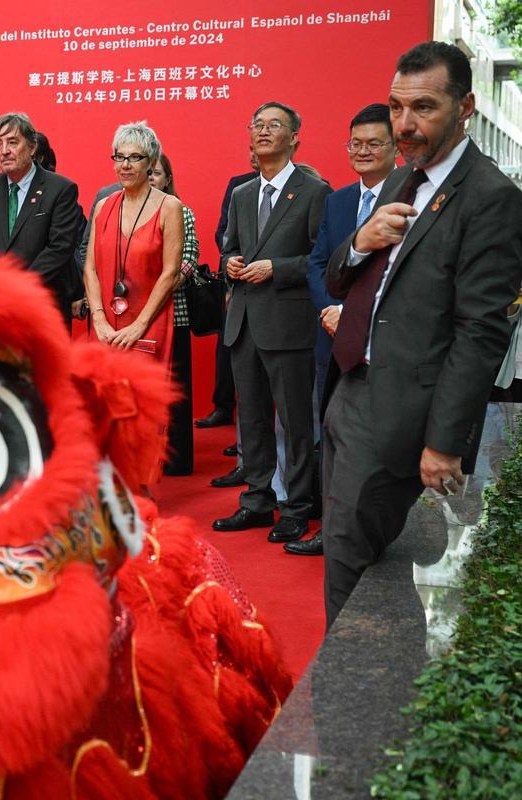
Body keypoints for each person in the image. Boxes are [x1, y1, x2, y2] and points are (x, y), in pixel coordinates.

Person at [321, 41, 522, 625]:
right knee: (358, 547)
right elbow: (340, 279)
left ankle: (348, 701)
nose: (404, 124)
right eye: (396, 106)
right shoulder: (401, 181)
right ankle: (376, 672)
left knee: (348, 558)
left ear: (465, 107)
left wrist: (445, 443)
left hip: (399, 413)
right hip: (349, 387)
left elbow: (482, 331)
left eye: (424, 108)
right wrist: (361, 242)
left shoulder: (491, 199)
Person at [211, 101, 330, 543]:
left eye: (273, 125)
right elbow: (229, 247)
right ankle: (257, 500)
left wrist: (277, 268)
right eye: (257, 124)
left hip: (289, 323)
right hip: (244, 320)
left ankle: (296, 507)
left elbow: (321, 259)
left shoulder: (314, 191)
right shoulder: (243, 194)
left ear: (295, 137)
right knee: (253, 420)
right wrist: (231, 263)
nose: (263, 131)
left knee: (296, 423)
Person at [286, 103, 397, 557]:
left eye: (375, 143)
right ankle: (332, 529)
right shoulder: (339, 200)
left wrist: (355, 317)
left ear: (396, 147)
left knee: (379, 444)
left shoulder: (414, 198)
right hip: (332, 339)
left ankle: (375, 533)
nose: (364, 151)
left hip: (384, 346)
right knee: (329, 435)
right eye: (356, 143)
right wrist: (331, 310)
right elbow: (318, 263)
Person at [0, 112, 82, 322]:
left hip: (43, 307)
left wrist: (17, 287)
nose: (4, 151)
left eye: (13, 142)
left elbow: (60, 248)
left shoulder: (60, 189)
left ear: (32, 147)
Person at [83, 121, 184, 370]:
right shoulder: (103, 206)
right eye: (119, 157)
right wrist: (98, 319)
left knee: (143, 401)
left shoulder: (169, 207)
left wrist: (139, 325)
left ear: (150, 162)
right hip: (104, 323)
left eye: (135, 157)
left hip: (149, 322)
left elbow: (170, 273)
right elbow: (90, 269)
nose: (125, 165)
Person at [197, 149, 260, 432]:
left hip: (276, 283)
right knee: (228, 347)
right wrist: (234, 258)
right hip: (237, 277)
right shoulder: (239, 185)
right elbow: (224, 231)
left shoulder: (305, 185)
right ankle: (223, 406)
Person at [148, 152, 197, 475]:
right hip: (136, 322)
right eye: (147, 172)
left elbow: (188, 261)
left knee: (176, 391)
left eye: (156, 173)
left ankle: (177, 460)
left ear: (168, 178)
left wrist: (154, 286)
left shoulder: (182, 211)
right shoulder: (125, 212)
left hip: (174, 314)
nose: (151, 177)